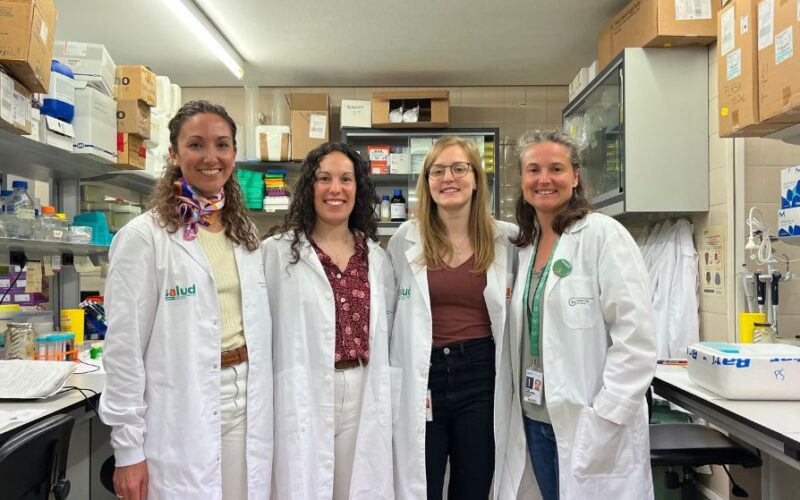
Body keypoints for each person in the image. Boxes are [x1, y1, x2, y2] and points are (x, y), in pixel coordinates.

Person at [99, 100, 272, 500]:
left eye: (222, 145)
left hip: (248, 398)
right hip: (182, 406)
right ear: (174, 155)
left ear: (234, 154)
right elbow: (123, 350)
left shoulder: (244, 234)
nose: (211, 157)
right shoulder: (144, 238)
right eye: (196, 144)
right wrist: (128, 450)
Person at [501, 129, 656, 500]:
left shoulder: (603, 235)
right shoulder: (525, 246)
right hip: (535, 419)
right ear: (522, 180)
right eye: (533, 170)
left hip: (591, 420)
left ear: (575, 177)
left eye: (556, 169)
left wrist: (607, 414)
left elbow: (636, 335)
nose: (544, 179)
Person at [263, 142, 396, 500]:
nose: (335, 189)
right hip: (302, 389)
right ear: (309, 187)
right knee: (302, 485)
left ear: (358, 189)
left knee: (356, 488)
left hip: (361, 389)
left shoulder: (375, 257)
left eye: (345, 179)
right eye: (324, 178)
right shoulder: (276, 252)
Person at [388, 136, 518, 500]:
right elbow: (390, 315)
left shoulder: (506, 240)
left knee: (474, 485)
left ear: (476, 179)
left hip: (481, 376)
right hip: (424, 375)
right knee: (421, 484)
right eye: (438, 171)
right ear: (427, 182)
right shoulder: (405, 239)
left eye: (460, 168)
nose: (449, 178)